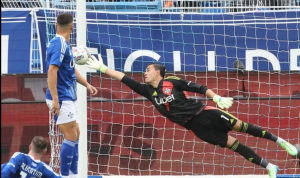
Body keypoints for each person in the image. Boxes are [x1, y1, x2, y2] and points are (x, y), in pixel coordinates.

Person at [86, 54, 298, 178]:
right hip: (195, 128)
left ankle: (282, 142)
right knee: (234, 145)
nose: (145, 72)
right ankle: (269, 167)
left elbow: (199, 87)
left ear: (158, 72)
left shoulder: (172, 81)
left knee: (244, 127)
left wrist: (216, 98)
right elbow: (123, 78)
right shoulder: (147, 92)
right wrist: (102, 68)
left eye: (148, 69)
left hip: (206, 114)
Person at [45, 13, 98, 178]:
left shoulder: (65, 45)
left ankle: (75, 173)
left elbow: (71, 68)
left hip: (68, 96)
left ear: (56, 26)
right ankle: (65, 175)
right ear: (72, 27)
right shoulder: (59, 44)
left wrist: (87, 84)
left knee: (77, 133)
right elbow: (51, 71)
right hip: (60, 97)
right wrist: (55, 99)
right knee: (70, 134)